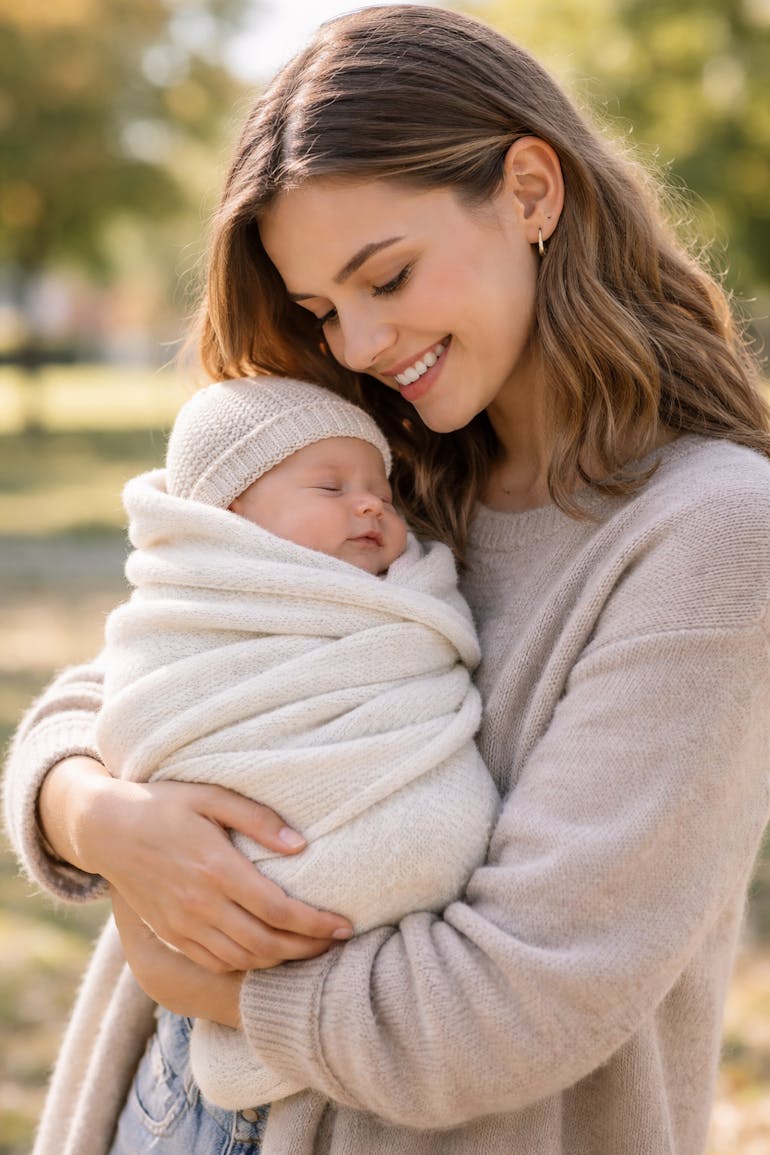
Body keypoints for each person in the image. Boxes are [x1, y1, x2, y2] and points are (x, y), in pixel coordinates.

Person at [4, 5, 770, 1154]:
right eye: (321, 309)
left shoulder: (707, 535)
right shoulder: (373, 467)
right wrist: (96, 815)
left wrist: (204, 971)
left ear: (529, 192)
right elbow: (131, 668)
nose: (357, 346)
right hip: (159, 1106)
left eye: (388, 276)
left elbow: (510, 1006)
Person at [91, 373, 498, 1119]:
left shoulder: (407, 594)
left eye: (380, 486)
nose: (370, 502)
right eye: (330, 486)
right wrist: (80, 808)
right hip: (234, 944)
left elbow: (416, 669)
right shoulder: (202, 603)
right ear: (231, 516)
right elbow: (144, 709)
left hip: (364, 1014)